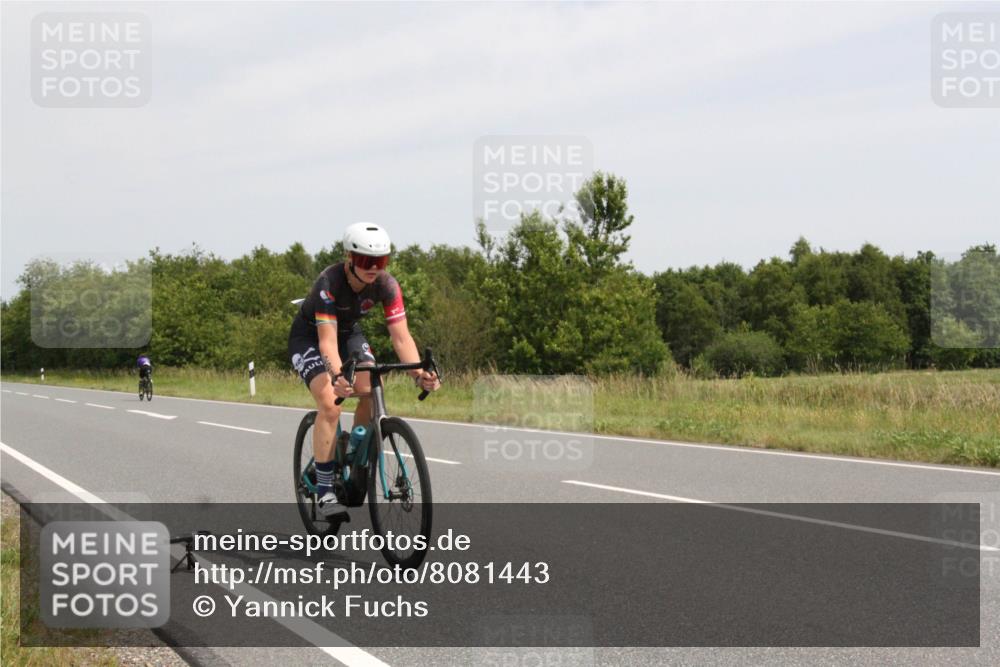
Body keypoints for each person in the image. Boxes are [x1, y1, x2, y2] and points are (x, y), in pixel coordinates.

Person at [288, 223, 440, 515]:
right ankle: (324, 492)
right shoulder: (328, 283)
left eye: (380, 261)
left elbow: (401, 337)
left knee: (372, 386)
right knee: (331, 405)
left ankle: (355, 446)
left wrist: (418, 375)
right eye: (366, 261)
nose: (373, 268)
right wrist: (336, 376)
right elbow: (327, 342)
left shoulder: (387, 285)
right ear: (349, 258)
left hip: (349, 332)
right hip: (310, 336)